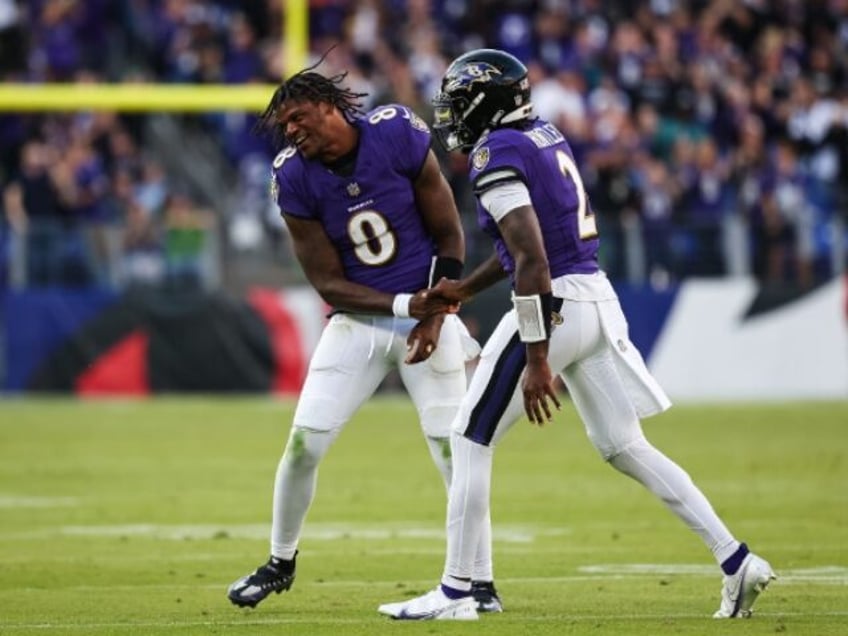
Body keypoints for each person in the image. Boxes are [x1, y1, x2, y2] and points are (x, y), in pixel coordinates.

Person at [377, 48, 776, 621]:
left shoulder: (495, 153)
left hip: (552, 303)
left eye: (461, 103)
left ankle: (459, 592)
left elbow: (532, 261)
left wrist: (539, 359)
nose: (452, 116)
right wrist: (463, 291)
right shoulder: (543, 135)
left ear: (487, 101)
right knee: (624, 445)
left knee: (469, 436)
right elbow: (524, 246)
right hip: (595, 297)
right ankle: (737, 561)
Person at [226, 56, 503, 613]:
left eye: (301, 117)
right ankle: (280, 562)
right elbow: (328, 283)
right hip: (359, 324)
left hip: (431, 315)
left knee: (456, 453)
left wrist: (431, 315)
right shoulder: (293, 177)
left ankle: (481, 584)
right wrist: (406, 305)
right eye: (286, 126)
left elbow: (449, 232)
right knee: (304, 444)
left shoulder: (395, 133)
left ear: (330, 106)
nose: (293, 131)